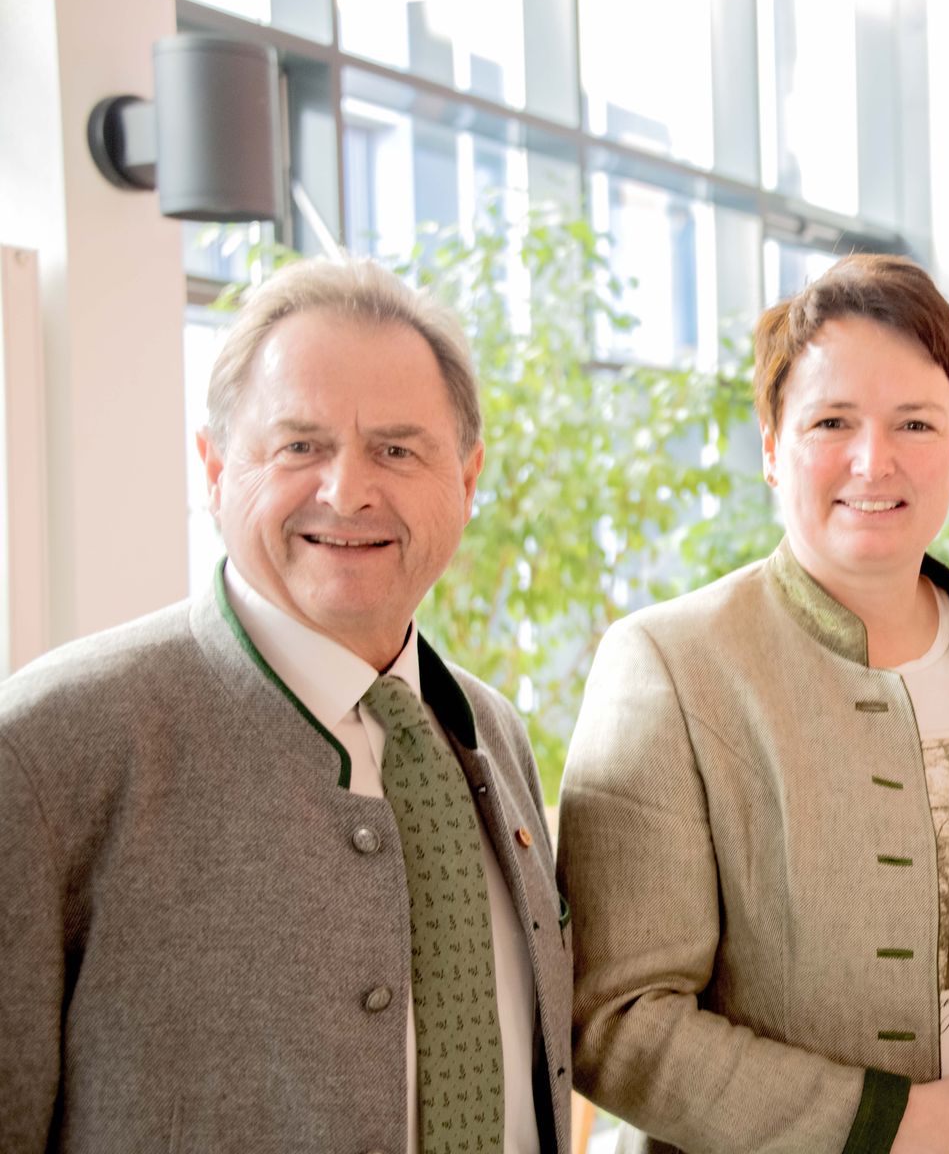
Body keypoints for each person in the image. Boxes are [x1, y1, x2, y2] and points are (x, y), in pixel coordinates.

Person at [558, 254, 949, 1153]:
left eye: (916, 422)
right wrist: (894, 1122)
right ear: (770, 447)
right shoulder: (671, 667)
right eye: (833, 421)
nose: (875, 460)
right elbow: (617, 1022)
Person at [0, 260, 572, 1153]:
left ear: (466, 481)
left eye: (396, 449)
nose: (348, 492)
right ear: (215, 466)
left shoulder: (490, 731)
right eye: (299, 445)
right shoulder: (49, 751)